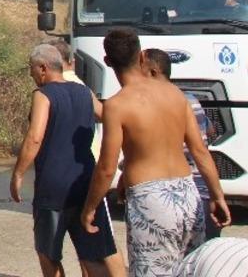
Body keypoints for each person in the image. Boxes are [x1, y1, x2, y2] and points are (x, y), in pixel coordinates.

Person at [80, 29, 231, 277]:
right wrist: (217, 197)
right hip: (187, 194)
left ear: (107, 61)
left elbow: (106, 168)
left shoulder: (117, 105)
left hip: (151, 200)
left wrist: (90, 208)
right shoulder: (175, 94)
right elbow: (200, 153)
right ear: (141, 56)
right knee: (189, 271)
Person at [10, 44, 124, 277]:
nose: (32, 74)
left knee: (48, 253)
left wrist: (18, 174)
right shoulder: (83, 91)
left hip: (54, 190)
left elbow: (34, 137)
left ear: (43, 68)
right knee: (92, 254)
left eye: (32, 69)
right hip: (86, 185)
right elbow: (106, 115)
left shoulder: (43, 95)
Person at [142, 49, 220, 249]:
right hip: (201, 191)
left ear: (153, 71)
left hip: (172, 194)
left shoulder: (153, 102)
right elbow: (210, 132)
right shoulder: (190, 99)